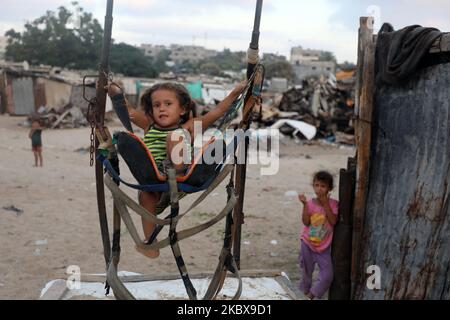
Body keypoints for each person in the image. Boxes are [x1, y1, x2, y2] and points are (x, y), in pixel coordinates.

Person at [106, 81, 247, 259]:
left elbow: (218, 112)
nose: (161, 109)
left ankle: (176, 171)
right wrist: (114, 93)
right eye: (156, 105)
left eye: (168, 104)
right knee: (145, 195)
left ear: (182, 109)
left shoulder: (190, 126)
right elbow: (129, 112)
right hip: (154, 179)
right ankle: (151, 244)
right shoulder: (149, 125)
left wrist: (236, 92)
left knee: (175, 136)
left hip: (182, 177)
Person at [298, 171, 339, 300]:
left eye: (323, 186)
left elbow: (333, 221)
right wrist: (304, 205)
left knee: (327, 276)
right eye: (316, 185)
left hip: (323, 248)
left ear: (329, 188)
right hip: (307, 243)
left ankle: (311, 295)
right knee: (306, 273)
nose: (319, 189)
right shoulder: (310, 203)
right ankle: (302, 294)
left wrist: (325, 203)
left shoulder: (333, 204)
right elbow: (305, 222)